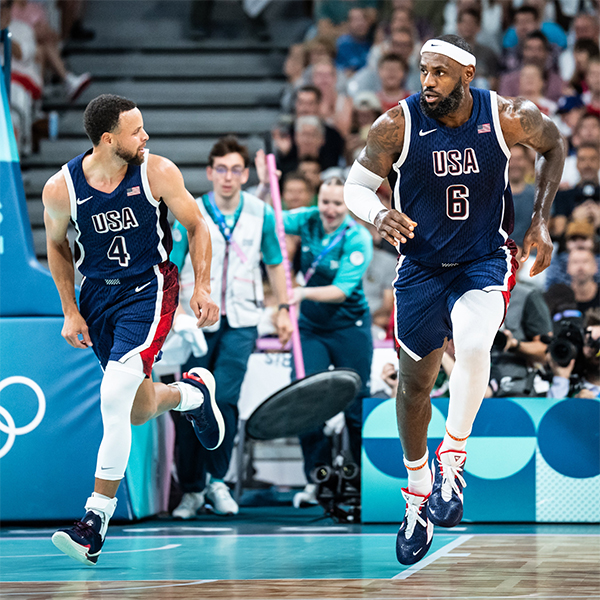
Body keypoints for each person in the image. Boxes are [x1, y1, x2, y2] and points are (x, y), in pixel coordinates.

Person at [343, 34, 564, 565]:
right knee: (415, 386)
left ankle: (453, 458)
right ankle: (417, 493)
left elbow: (554, 145)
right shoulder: (395, 124)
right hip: (420, 267)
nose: (428, 82)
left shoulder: (507, 115)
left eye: (439, 72)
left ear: (467, 75)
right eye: (424, 71)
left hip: (483, 258)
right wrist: (378, 213)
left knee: (472, 342)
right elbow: (354, 187)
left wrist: (539, 218)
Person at [43, 94, 224, 565]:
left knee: (113, 395)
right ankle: (191, 396)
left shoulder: (156, 171)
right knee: (138, 408)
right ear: (108, 139)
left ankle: (94, 520)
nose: (146, 136)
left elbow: (196, 226)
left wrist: (203, 286)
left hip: (150, 288)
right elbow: (57, 245)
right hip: (98, 296)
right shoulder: (61, 188)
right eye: (135, 131)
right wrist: (69, 310)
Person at [170, 136, 293, 518]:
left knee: (224, 399)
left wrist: (284, 308)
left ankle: (217, 481)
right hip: (195, 320)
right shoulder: (190, 210)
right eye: (221, 169)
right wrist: (175, 313)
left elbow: (274, 262)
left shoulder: (260, 213)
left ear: (244, 175)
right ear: (210, 172)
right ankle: (191, 490)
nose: (228, 177)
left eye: (236, 170)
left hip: (242, 319)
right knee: (188, 401)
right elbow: (172, 264)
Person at [283, 177, 373, 507]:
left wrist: (300, 293)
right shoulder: (307, 219)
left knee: (356, 406)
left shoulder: (357, 238)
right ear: (317, 201)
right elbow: (269, 220)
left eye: (337, 203)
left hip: (351, 327)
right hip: (310, 328)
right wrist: (265, 186)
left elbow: (341, 291)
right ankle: (316, 479)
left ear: (347, 205)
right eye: (325, 202)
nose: (330, 210)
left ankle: (361, 482)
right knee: (305, 400)